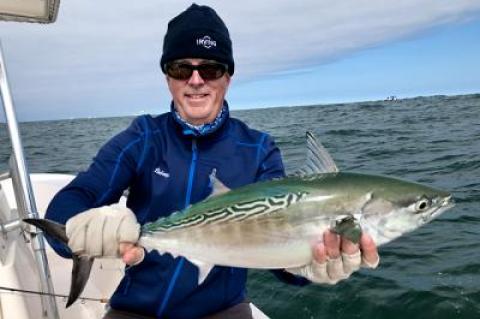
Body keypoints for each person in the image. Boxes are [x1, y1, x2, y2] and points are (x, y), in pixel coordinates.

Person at [45, 4, 379, 319]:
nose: (196, 80)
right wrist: (79, 228)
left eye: (210, 68)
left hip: (223, 311)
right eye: (181, 68)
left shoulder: (258, 148)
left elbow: (280, 245)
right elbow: (79, 194)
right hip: (135, 309)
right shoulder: (144, 136)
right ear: (168, 77)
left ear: (227, 77)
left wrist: (305, 268)